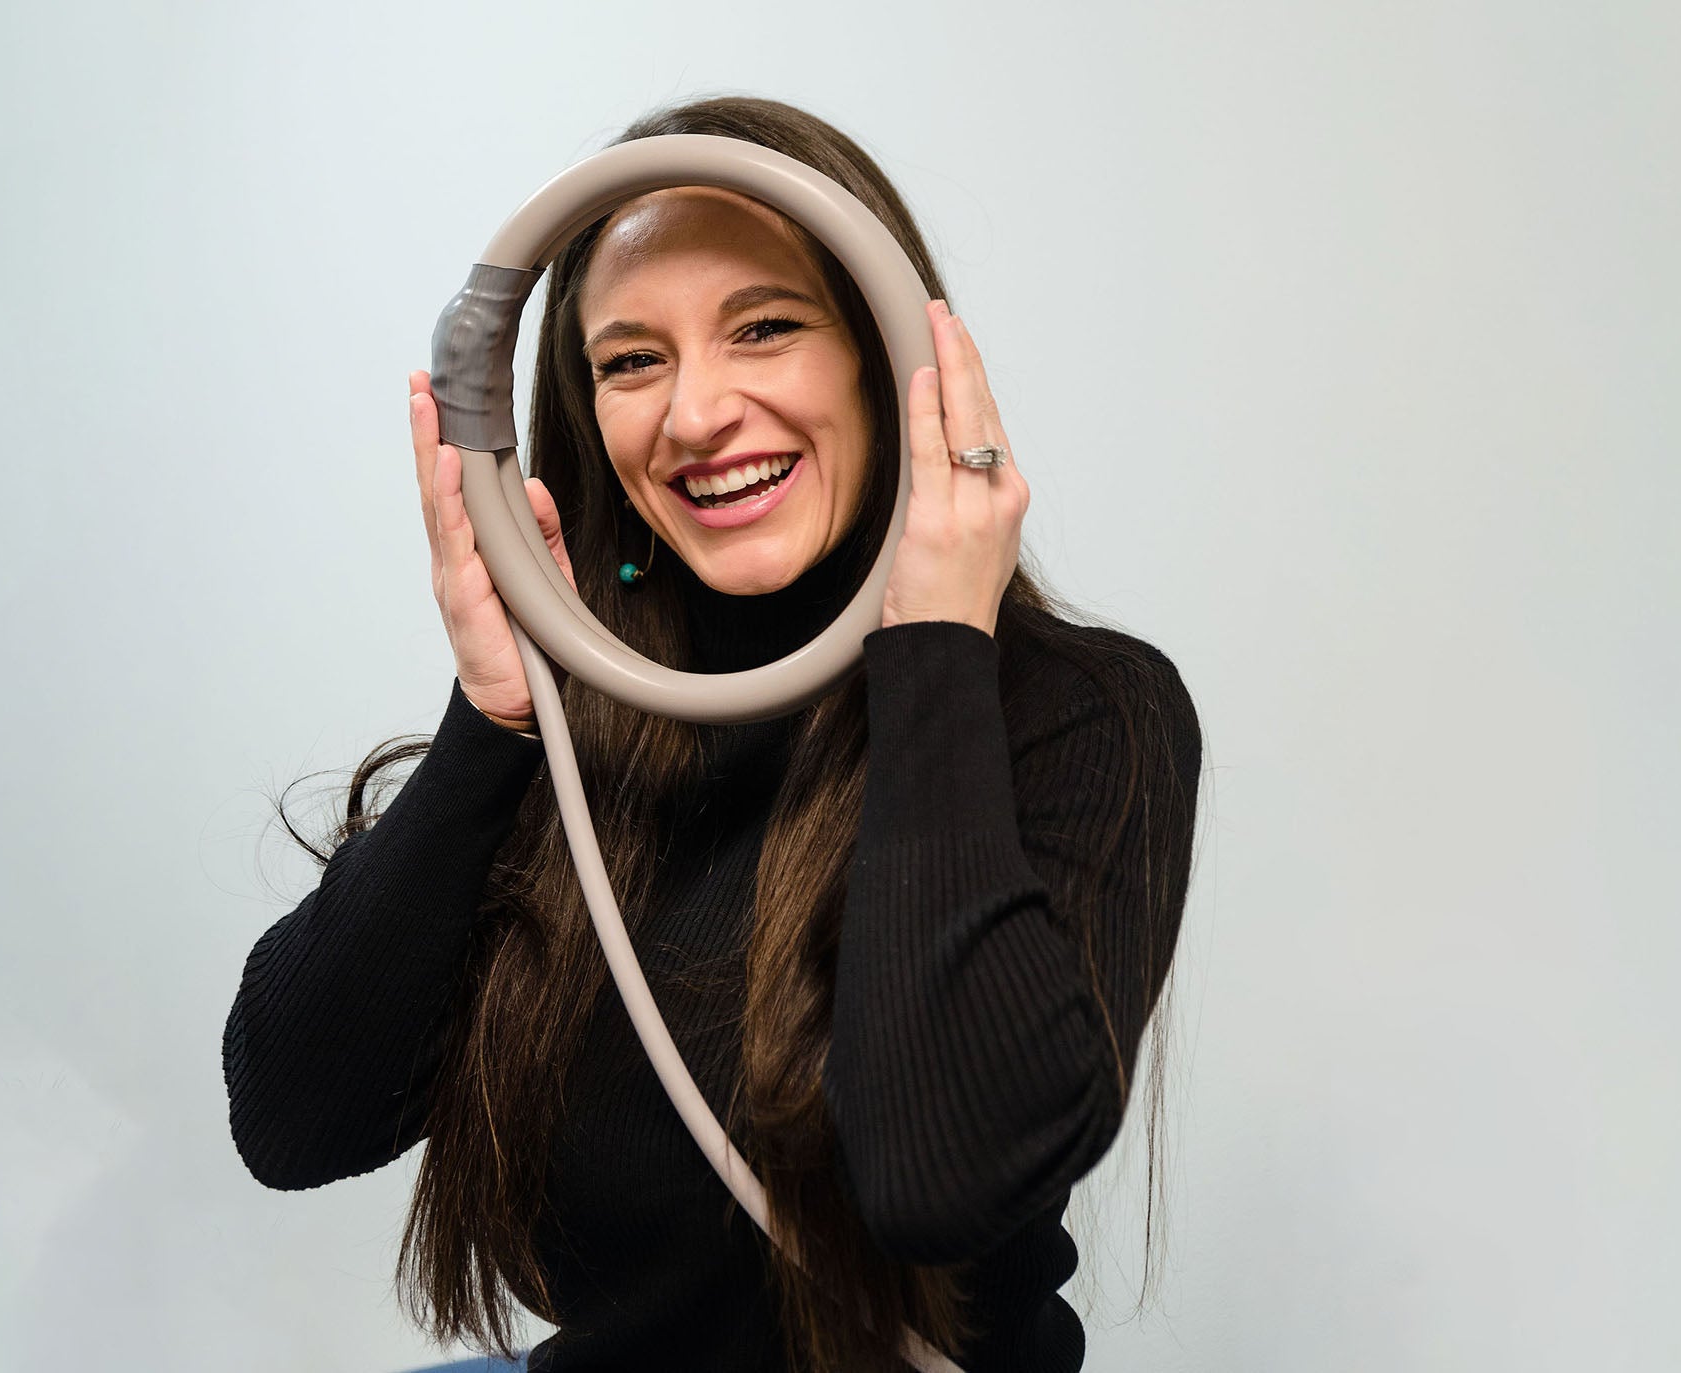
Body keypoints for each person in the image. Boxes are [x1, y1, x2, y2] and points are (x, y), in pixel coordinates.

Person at [222, 95, 1204, 1373]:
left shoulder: (1078, 709)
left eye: (766, 328)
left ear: (891, 353)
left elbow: (939, 1181)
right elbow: (292, 1122)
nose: (694, 415)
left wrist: (933, 658)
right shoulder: (579, 731)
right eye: (632, 359)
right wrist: (492, 719)